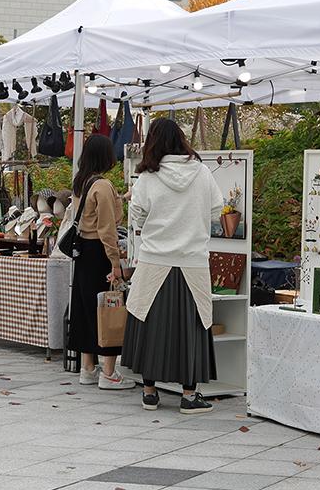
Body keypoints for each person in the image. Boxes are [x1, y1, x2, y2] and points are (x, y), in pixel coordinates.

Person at [122, 118, 224, 414]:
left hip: (155, 260)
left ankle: (150, 391)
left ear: (152, 142)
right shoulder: (202, 172)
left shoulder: (147, 178)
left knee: (150, 325)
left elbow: (137, 217)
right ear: (181, 139)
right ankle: (189, 395)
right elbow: (216, 210)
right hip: (192, 261)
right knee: (191, 327)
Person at [68, 134, 135, 391]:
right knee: (108, 308)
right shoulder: (103, 185)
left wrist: (123, 196)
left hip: (83, 251)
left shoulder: (81, 183)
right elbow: (107, 229)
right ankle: (108, 372)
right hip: (99, 252)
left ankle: (87, 368)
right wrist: (115, 263)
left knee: (86, 308)